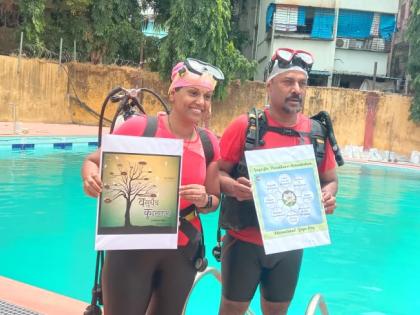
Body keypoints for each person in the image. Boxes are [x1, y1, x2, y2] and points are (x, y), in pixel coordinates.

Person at [81, 58, 224, 315]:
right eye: (193, 93)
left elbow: (214, 200)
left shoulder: (208, 142)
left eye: (207, 96)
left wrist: (204, 200)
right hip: (131, 246)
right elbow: (92, 162)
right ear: (173, 92)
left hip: (182, 250)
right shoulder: (140, 128)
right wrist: (90, 178)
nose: (201, 102)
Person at [218, 48, 338, 315]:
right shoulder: (245, 127)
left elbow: (329, 179)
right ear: (270, 85)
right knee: (231, 310)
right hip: (244, 240)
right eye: (288, 82)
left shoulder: (316, 133)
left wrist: (327, 195)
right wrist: (232, 187)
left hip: (290, 244)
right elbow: (216, 174)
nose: (296, 89)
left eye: (302, 83)